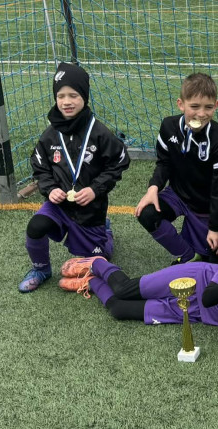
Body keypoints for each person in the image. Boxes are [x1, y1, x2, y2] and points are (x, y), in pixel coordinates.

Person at [61, 213, 218, 363]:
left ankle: (91, 282)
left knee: (118, 309)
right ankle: (98, 264)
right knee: (124, 290)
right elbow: (209, 297)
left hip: (196, 313)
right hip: (195, 279)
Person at [19, 62, 130, 293]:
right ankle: (41, 269)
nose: (66, 101)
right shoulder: (50, 135)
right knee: (36, 226)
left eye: (73, 95)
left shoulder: (99, 133)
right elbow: (40, 166)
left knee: (99, 261)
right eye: (61, 96)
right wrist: (50, 189)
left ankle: (106, 235)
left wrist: (95, 189)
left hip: (90, 208)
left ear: (84, 97)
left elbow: (119, 161)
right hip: (59, 206)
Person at [134, 73, 218, 265]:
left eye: (208, 107)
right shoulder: (168, 127)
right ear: (181, 104)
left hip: (203, 207)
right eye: (194, 106)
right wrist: (153, 188)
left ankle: (200, 246)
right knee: (147, 213)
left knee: (213, 263)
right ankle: (187, 255)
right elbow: (164, 163)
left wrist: (214, 228)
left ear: (216, 106)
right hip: (176, 195)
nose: (201, 114)